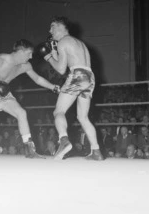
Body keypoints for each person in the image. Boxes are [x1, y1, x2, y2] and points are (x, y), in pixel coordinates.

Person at [37, 16, 104, 160]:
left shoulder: (63, 41)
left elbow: (61, 69)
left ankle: (63, 140)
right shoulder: (79, 43)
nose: (50, 30)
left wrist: (48, 57)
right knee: (83, 117)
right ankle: (96, 151)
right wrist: (54, 52)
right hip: (89, 77)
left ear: (61, 27)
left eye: (52, 26)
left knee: (58, 111)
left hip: (77, 74)